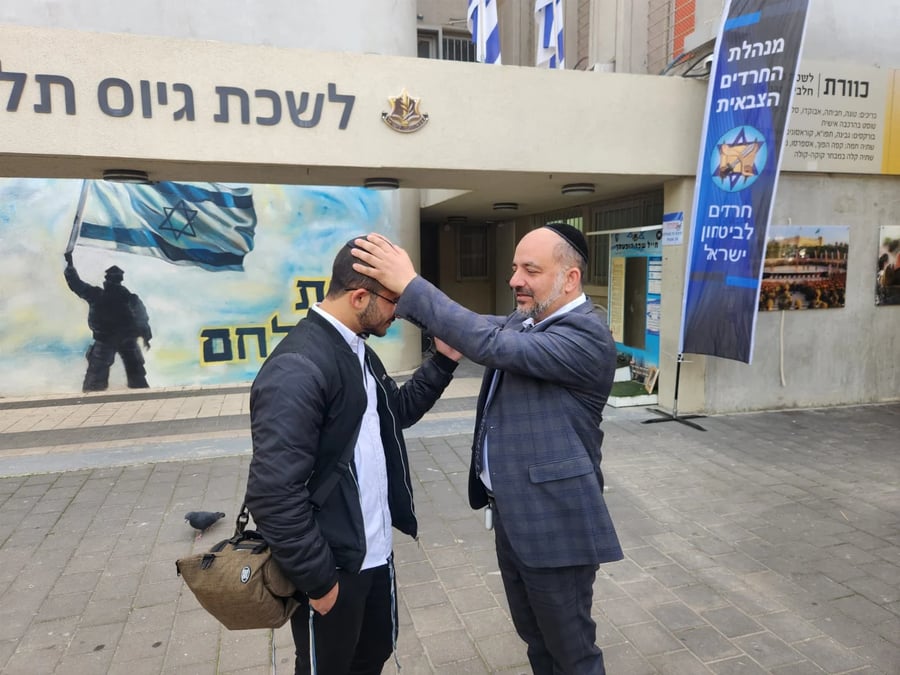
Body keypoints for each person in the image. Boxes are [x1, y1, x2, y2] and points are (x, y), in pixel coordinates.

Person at [351, 225, 623, 675]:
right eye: (514, 267)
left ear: (570, 279)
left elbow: (487, 341)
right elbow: (471, 329)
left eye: (530, 269)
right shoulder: (527, 321)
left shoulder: (586, 336)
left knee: (572, 651)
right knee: (537, 640)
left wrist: (411, 284)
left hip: (556, 523)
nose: (514, 279)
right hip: (516, 517)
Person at [244, 239, 461, 675]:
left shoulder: (355, 348)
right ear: (359, 297)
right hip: (332, 565)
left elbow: (394, 412)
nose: (399, 312)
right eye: (395, 301)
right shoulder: (299, 367)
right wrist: (318, 580)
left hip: (372, 554)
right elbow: (271, 494)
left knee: (371, 655)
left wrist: (443, 360)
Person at [63, 253, 152, 392]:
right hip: (110, 339)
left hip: (116, 339)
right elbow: (142, 319)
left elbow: (142, 318)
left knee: (134, 374)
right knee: (98, 378)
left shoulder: (110, 296)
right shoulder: (119, 297)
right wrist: (70, 266)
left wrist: (70, 267)